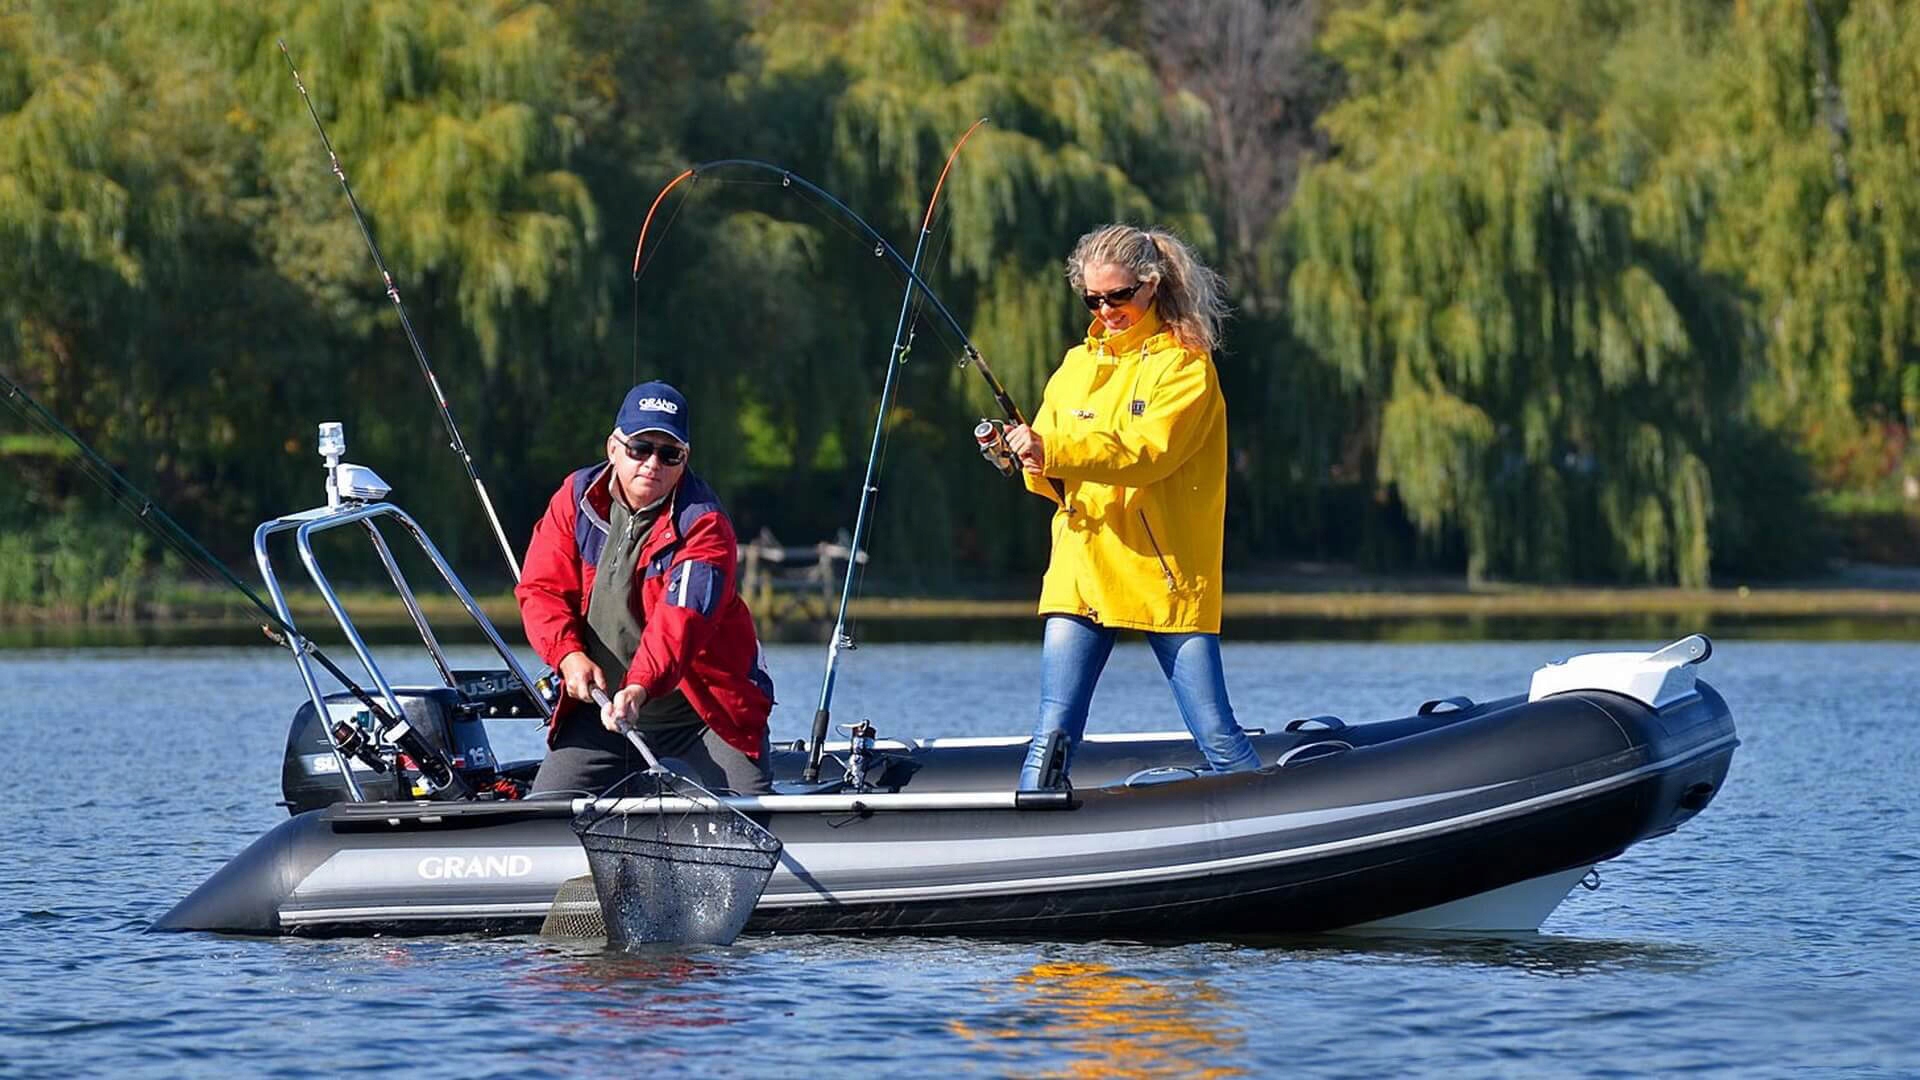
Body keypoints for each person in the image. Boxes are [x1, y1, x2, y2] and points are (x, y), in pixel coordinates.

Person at [1002, 224, 1261, 790]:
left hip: (1161, 571)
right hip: (1082, 567)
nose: (1105, 308)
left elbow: (1146, 453)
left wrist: (1054, 449)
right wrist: (1021, 456)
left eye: (1117, 296)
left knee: (1215, 732)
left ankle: (1280, 819)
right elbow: (1058, 474)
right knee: (1051, 732)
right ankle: (1032, 830)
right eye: (1093, 298)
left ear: (1150, 285)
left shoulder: (1187, 367)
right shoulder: (1074, 366)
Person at [516, 380, 776, 796]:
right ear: (613, 448)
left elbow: (681, 622)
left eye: (669, 453)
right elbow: (541, 590)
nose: (652, 463)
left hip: (704, 715)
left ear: (684, 459)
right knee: (546, 810)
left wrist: (638, 687)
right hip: (601, 713)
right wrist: (567, 656)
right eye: (640, 448)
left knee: (753, 818)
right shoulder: (573, 499)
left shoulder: (705, 525)